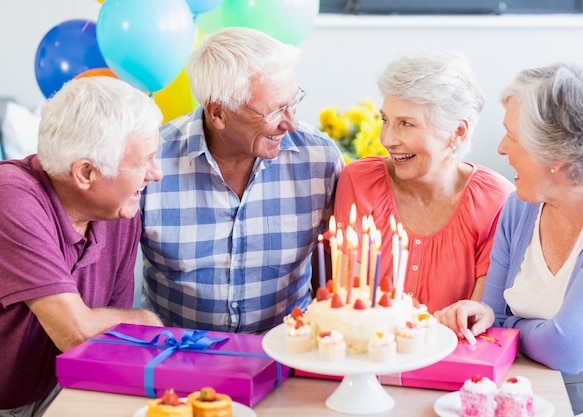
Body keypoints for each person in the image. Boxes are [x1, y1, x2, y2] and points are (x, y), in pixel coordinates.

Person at [435, 62, 583, 414]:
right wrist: (492, 317)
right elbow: (493, 316)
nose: (501, 148)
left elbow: (568, 350)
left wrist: (509, 326)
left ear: (557, 156)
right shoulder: (520, 206)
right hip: (519, 380)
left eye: (513, 136)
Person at [140, 27, 344, 334]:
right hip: (178, 355)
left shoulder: (319, 159)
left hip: (288, 351)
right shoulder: (153, 161)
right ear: (218, 112)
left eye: (293, 102)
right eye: (275, 110)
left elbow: (339, 269)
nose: (290, 123)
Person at [0, 76, 164, 416]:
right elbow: (76, 333)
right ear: (85, 173)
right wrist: (145, 317)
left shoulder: (121, 213)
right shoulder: (10, 196)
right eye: (143, 161)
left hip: (56, 392)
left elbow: (111, 342)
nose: (156, 173)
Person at [332, 51, 514, 312]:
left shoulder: (495, 200)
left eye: (406, 123)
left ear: (457, 132)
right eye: (385, 120)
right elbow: (351, 304)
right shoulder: (360, 183)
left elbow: (478, 319)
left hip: (457, 351)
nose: (387, 139)